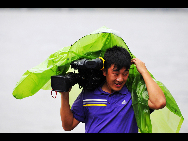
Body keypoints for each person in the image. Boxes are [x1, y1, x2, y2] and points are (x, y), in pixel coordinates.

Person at [60, 46, 166, 133]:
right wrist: (64, 95)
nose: (120, 79)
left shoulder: (133, 96)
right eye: (115, 74)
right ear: (105, 72)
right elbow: (68, 126)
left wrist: (143, 71)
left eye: (125, 74)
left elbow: (159, 102)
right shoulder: (88, 94)